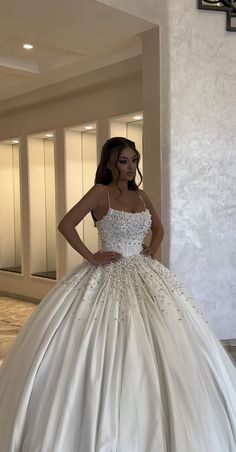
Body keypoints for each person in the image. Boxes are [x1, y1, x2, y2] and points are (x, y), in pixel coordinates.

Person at [0, 136, 235, 452]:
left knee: (162, 336)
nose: (131, 167)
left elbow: (160, 227)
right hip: (107, 270)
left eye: (134, 160)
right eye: (124, 161)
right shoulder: (100, 193)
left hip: (144, 270)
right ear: (110, 162)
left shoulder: (141, 195)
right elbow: (66, 224)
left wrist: (152, 247)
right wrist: (91, 255)